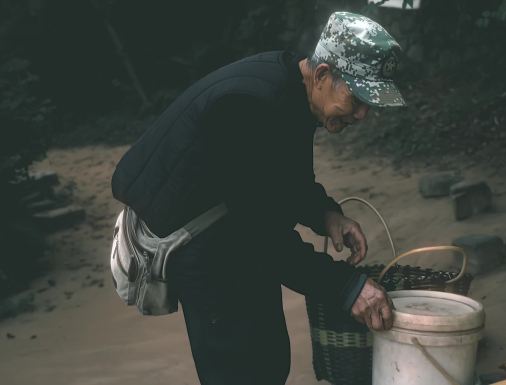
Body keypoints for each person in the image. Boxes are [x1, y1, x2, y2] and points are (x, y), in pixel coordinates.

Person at [111, 11, 406, 385]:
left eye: (370, 103)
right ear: (322, 75)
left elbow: (283, 179)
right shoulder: (247, 105)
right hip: (199, 240)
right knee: (238, 367)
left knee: (268, 356)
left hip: (231, 224)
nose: (363, 114)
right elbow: (259, 235)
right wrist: (347, 288)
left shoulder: (295, 95)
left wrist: (326, 214)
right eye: (357, 97)